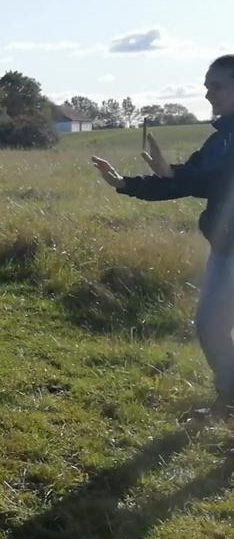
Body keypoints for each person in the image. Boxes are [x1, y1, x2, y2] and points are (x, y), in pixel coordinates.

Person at [91, 54, 234, 420]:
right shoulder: (221, 139)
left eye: (216, 86)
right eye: (206, 85)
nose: (207, 94)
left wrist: (174, 175)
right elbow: (191, 177)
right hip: (225, 251)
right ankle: (228, 399)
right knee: (210, 327)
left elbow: (206, 180)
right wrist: (127, 184)